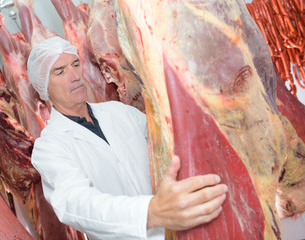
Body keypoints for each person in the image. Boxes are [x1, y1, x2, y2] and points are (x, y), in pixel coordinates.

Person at [28, 36, 228, 240]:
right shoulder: (49, 147)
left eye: (76, 64)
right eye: (60, 71)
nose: (74, 76)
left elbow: (167, 138)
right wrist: (150, 213)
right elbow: (76, 203)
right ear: (44, 87)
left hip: (181, 231)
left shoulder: (118, 112)